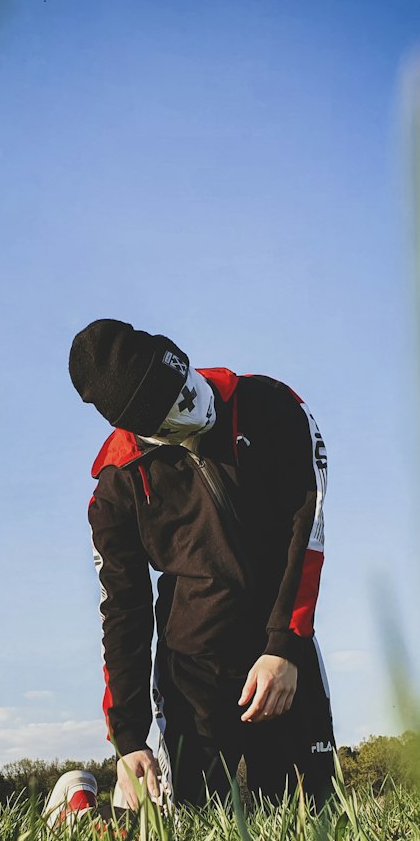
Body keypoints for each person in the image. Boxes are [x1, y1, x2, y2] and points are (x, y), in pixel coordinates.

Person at [70, 318, 335, 810]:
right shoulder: (116, 485)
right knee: (187, 827)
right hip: (194, 669)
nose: (194, 405)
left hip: (282, 648)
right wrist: (127, 738)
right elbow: (123, 612)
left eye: (185, 387)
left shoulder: (271, 406)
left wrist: (285, 645)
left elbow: (307, 528)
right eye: (173, 411)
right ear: (143, 428)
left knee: (312, 815)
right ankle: (81, 809)